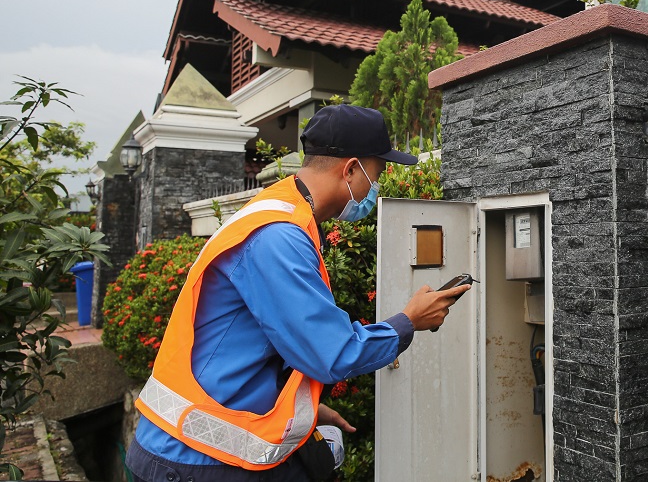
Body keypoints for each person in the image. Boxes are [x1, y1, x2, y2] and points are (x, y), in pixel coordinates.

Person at [125, 104, 470, 482]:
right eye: (378, 173)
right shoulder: (279, 236)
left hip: (190, 445)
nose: (377, 186)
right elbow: (332, 351)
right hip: (191, 457)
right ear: (351, 169)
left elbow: (264, 343)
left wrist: (302, 409)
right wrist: (408, 322)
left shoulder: (283, 214)